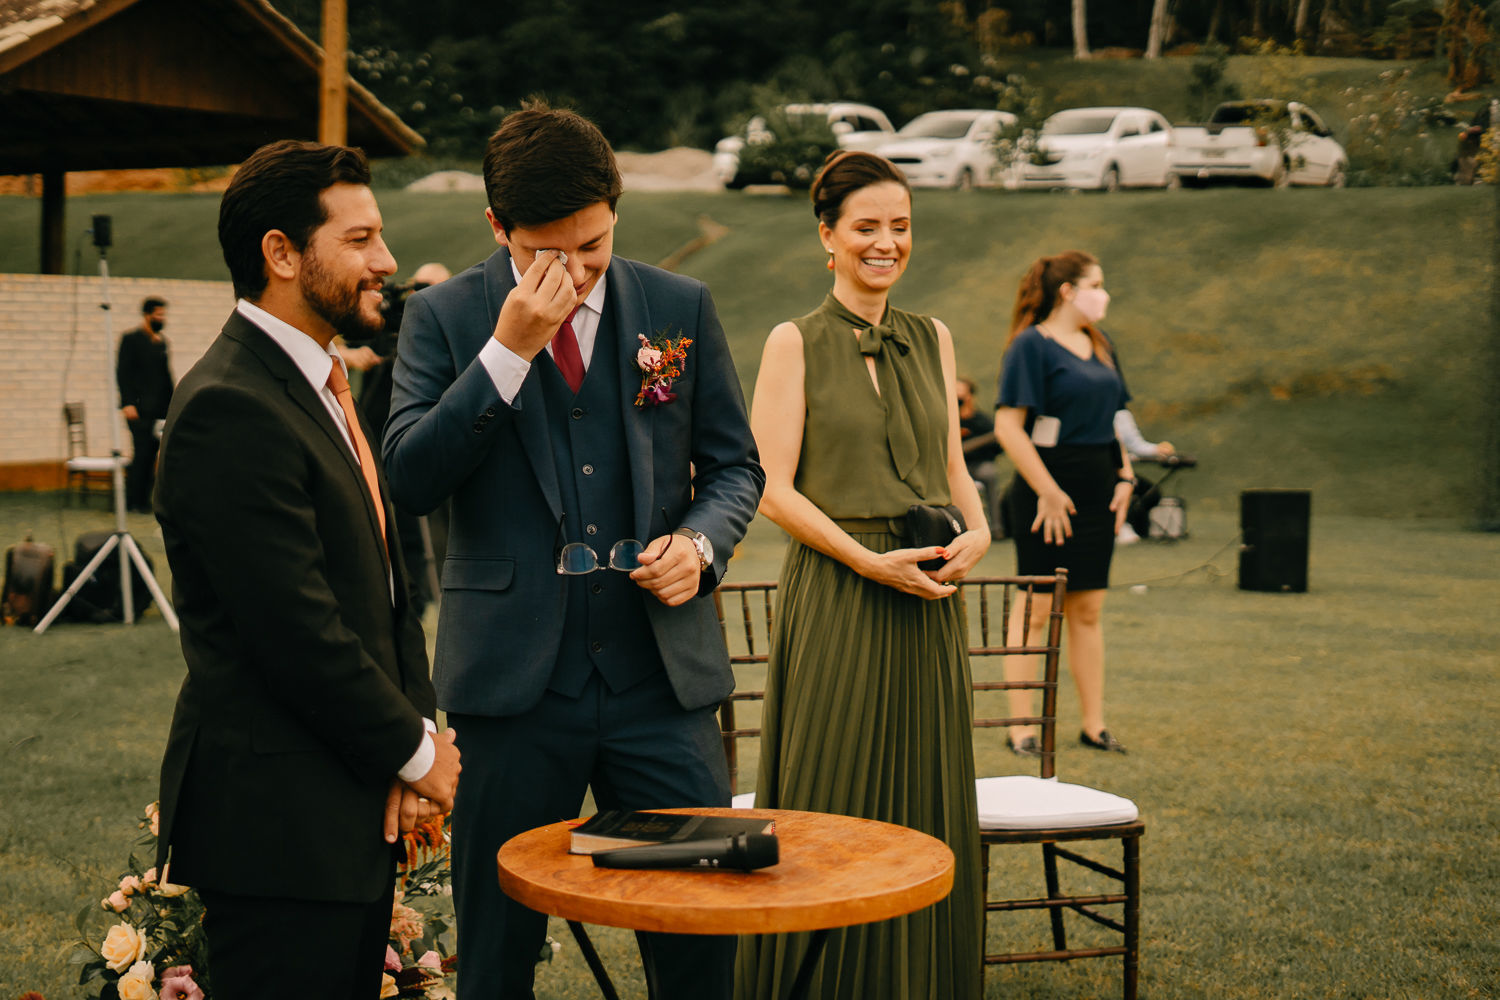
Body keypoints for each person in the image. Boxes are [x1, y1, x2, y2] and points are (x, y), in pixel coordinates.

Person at [382, 102, 763, 1000]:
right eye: (547, 252)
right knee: (497, 950)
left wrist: (699, 544)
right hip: (510, 693)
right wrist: (508, 351)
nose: (576, 270)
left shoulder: (678, 305)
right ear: (497, 226)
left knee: (700, 935)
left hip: (661, 687)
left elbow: (735, 467)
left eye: (593, 244)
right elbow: (409, 477)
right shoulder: (441, 316)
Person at [151, 139, 461, 999]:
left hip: (347, 810)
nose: (386, 261)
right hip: (277, 831)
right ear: (281, 254)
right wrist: (417, 753)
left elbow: (389, 593)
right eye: (359, 239)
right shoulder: (229, 405)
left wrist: (413, 738)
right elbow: (295, 630)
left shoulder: (321, 388)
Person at [735, 150, 988, 1000]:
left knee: (926, 793)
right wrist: (864, 558)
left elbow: (953, 464)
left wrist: (980, 528)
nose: (887, 243)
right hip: (841, 591)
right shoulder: (793, 341)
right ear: (828, 237)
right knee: (832, 791)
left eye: (901, 227)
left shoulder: (934, 336)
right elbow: (770, 487)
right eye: (867, 227)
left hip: (929, 597)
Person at [993, 250, 1134, 756]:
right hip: (1044, 492)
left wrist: (1125, 476)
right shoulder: (1031, 345)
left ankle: (1094, 725)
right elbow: (1008, 427)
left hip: (1098, 490)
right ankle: (1021, 727)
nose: (1104, 294)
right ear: (1068, 291)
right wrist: (1048, 491)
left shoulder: (1101, 343)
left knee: (1088, 608)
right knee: (1035, 607)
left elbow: (1113, 420)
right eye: (1096, 284)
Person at [116, 296, 174, 512]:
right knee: (141, 453)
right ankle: (133, 500)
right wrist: (128, 403)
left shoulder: (162, 343)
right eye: (158, 314)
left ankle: (144, 499)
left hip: (158, 409)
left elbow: (166, 377)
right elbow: (123, 373)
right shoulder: (131, 340)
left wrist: (173, 404)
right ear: (147, 315)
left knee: (151, 454)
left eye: (163, 315)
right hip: (138, 409)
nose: (161, 318)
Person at [1113, 407, 1174, 543]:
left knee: (1151, 492)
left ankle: (1129, 525)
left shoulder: (1121, 414)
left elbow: (1135, 444)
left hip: (1121, 471)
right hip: (1102, 470)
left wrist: (1157, 449)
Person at [956, 374, 1005, 539]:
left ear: (969, 396)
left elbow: (997, 448)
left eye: (961, 393)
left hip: (977, 466)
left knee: (988, 473)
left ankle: (996, 527)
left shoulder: (982, 421)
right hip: (954, 467)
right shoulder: (949, 419)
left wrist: (977, 451)